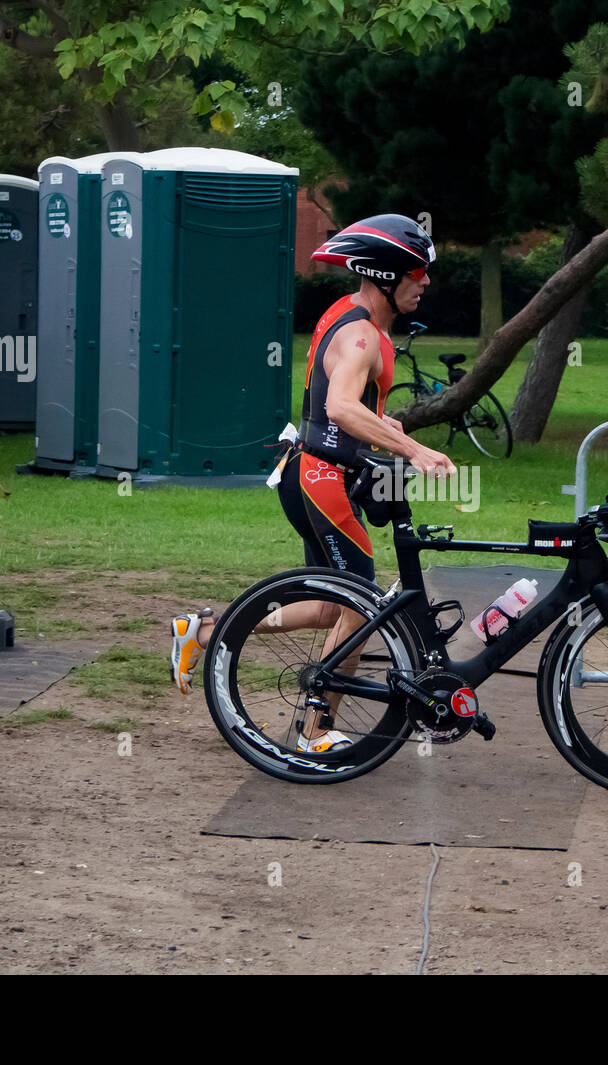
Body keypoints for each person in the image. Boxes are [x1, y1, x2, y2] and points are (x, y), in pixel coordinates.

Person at [171, 214, 456, 751]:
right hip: (322, 482)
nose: (425, 283)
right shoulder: (362, 336)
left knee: (331, 606)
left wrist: (382, 425)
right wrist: (413, 448)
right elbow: (340, 405)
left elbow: (339, 406)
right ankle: (316, 731)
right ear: (386, 275)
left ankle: (204, 633)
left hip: (310, 473)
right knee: (364, 606)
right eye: (417, 273)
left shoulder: (347, 316)